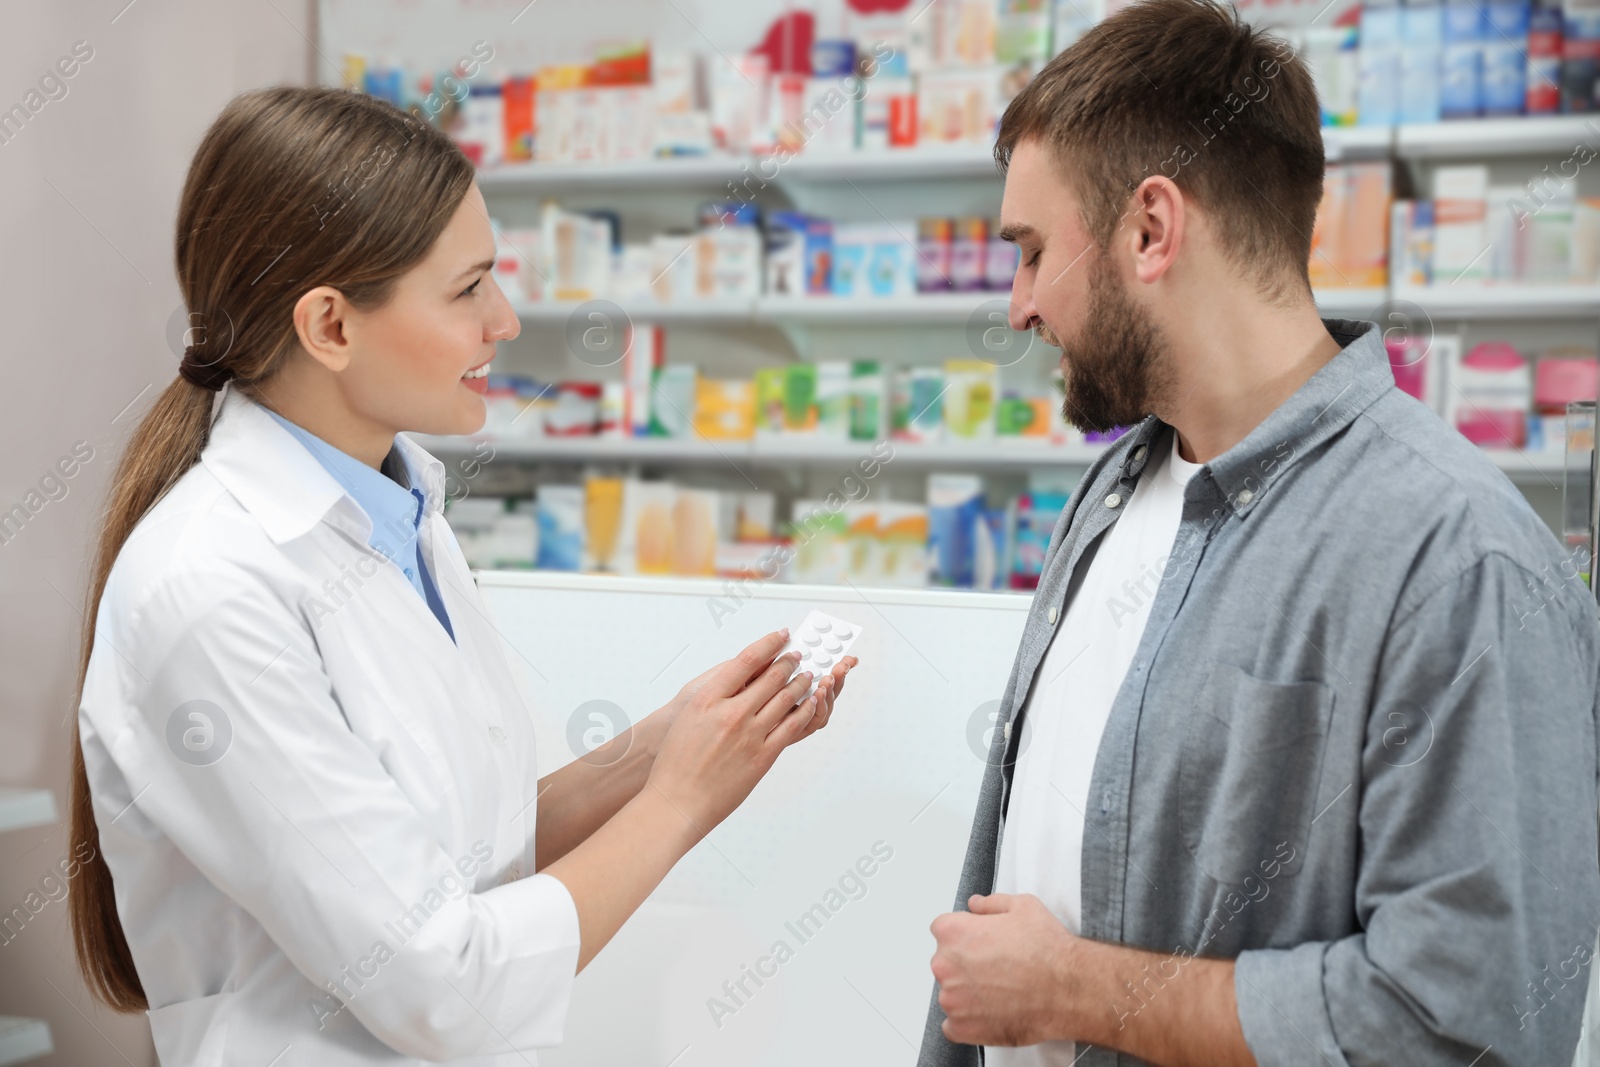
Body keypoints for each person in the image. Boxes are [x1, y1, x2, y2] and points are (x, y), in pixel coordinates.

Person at [67, 85, 856, 1064]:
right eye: (468, 287)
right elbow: (438, 981)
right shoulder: (208, 588)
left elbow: (466, 856)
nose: (507, 320)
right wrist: (680, 800)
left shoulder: (399, 516)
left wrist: (661, 745)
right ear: (331, 326)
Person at [917, 2, 1600, 1065]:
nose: (1016, 307)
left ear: (1151, 230)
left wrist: (1077, 989)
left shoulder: (1459, 559)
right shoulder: (1110, 488)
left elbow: (1472, 1021)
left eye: (1031, 250)